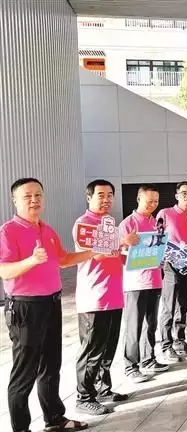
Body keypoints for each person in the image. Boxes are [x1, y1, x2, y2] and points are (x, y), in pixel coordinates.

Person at [0, 178, 93, 432]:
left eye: (39, 195)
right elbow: (4, 271)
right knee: (24, 371)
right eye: (28, 196)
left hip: (52, 303)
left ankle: (54, 419)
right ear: (15, 200)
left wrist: (94, 252)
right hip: (25, 308)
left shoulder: (47, 230)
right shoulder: (8, 231)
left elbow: (63, 260)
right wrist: (30, 260)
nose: (34, 200)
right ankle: (21, 428)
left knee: (51, 365)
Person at [72, 180, 139, 415]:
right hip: (94, 297)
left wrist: (138, 255)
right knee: (91, 350)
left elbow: (116, 256)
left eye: (110, 195)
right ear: (88, 197)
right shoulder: (84, 223)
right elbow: (97, 255)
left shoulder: (110, 223)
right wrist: (122, 242)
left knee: (108, 348)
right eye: (101, 195)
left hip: (114, 294)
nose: (107, 199)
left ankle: (103, 388)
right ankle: (83, 397)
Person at [119, 184, 169, 385]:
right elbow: (120, 254)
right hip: (135, 283)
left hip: (155, 279)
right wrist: (126, 245)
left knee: (151, 324)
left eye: (156, 201)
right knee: (134, 326)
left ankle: (149, 359)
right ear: (139, 199)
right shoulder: (128, 224)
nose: (153, 205)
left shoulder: (156, 223)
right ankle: (131, 366)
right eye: (149, 201)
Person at [157, 181, 187, 363]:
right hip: (170, 266)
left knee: (183, 305)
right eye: (184, 193)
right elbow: (158, 237)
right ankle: (166, 345)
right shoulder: (166, 213)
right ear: (177, 196)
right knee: (169, 306)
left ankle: (180, 340)